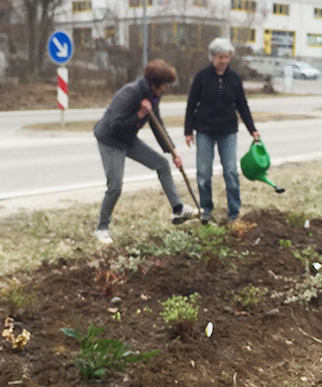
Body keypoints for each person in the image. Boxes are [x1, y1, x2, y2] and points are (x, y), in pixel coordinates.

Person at [93, 59, 198, 245]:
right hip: (110, 140)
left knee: (162, 165)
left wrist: (172, 151)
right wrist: (140, 114)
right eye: (165, 86)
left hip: (128, 138)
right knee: (115, 186)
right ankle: (102, 228)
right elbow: (115, 126)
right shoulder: (130, 93)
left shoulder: (154, 96)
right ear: (154, 84)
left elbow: (158, 125)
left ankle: (178, 208)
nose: (167, 89)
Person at [184, 38, 260, 225]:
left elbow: (242, 105)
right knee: (203, 173)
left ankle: (234, 211)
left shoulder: (234, 79)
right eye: (220, 57)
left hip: (228, 131)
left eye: (227, 57)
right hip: (205, 131)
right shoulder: (202, 77)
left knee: (231, 171)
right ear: (212, 57)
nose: (224, 61)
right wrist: (188, 131)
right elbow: (191, 104)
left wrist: (253, 129)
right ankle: (206, 210)